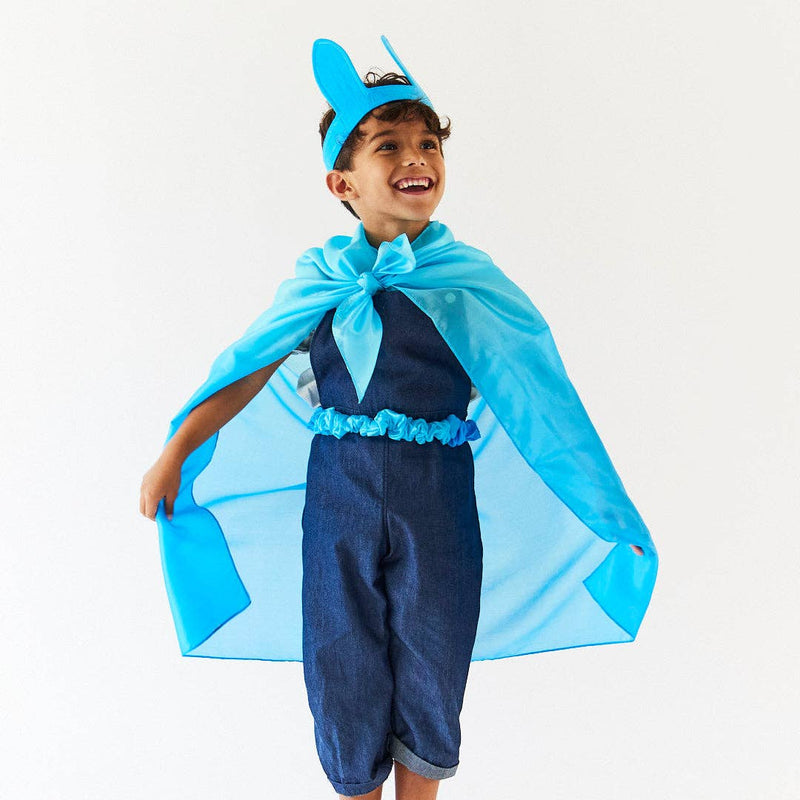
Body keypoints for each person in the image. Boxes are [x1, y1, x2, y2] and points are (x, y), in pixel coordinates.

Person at [140, 36, 657, 800]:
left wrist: (604, 505)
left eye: (428, 144)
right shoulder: (320, 280)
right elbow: (244, 369)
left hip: (437, 499)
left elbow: (543, 403)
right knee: (340, 653)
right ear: (340, 181)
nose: (417, 159)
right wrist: (177, 449)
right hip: (338, 502)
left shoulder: (467, 282)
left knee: (434, 650)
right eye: (390, 146)